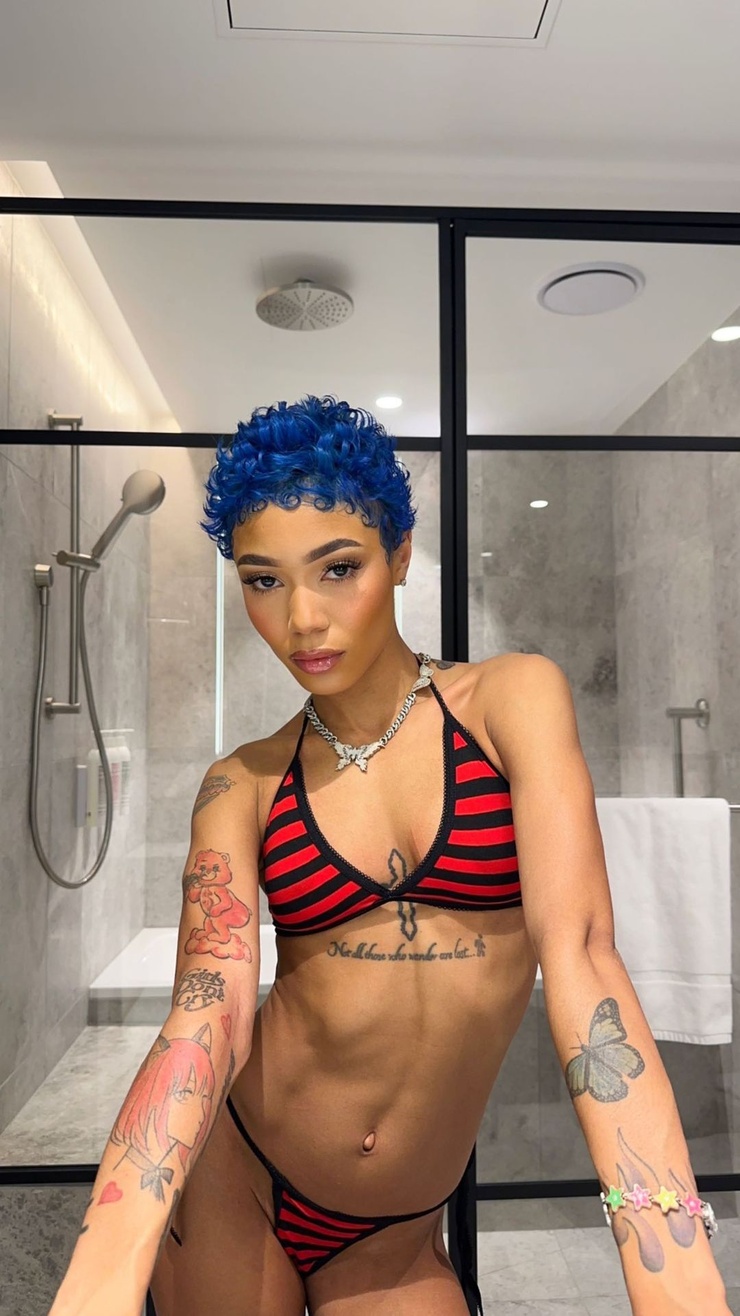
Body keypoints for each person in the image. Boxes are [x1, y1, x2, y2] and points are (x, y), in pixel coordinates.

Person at [49, 396, 730, 1316]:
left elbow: (582, 955)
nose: (302, 617)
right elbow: (208, 1008)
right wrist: (106, 1256)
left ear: (401, 553)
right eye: (263, 580)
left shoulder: (511, 702)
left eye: (338, 568)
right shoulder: (241, 783)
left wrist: (672, 1264)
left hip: (395, 1233)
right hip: (235, 1180)